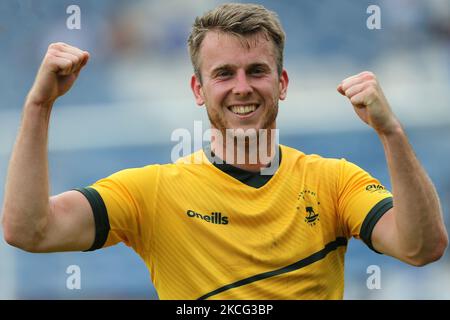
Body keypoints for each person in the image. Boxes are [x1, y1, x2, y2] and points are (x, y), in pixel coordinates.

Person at [1, 3, 448, 300]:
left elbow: (422, 247)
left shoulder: (334, 181)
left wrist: (392, 134)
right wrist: (39, 106)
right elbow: (29, 231)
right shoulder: (152, 192)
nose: (242, 87)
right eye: (224, 74)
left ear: (282, 83)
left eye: (257, 70)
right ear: (198, 89)